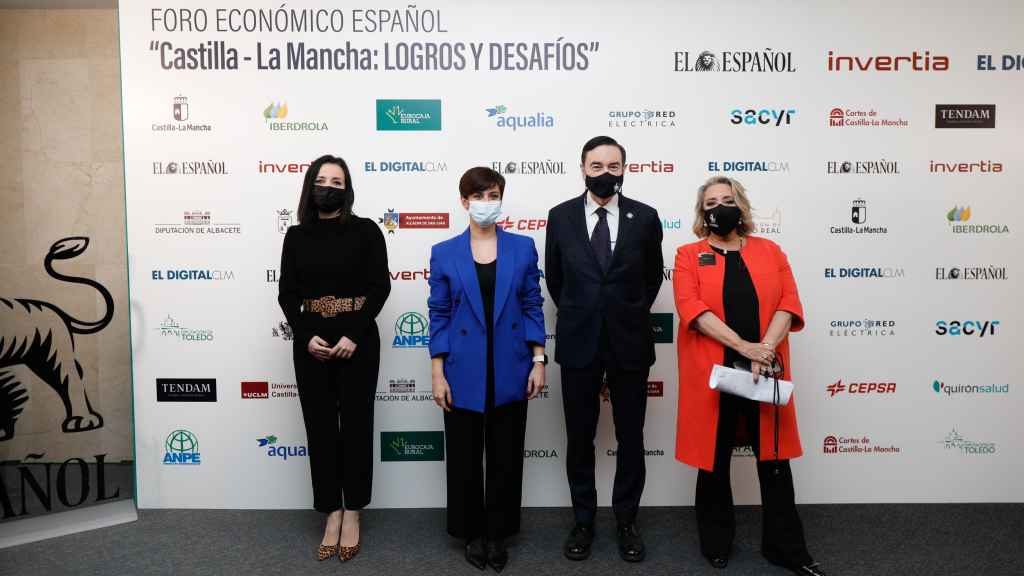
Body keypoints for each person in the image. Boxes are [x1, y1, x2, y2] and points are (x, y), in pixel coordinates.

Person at [672, 176, 826, 576]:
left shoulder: (769, 250)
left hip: (765, 369)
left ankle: (787, 549)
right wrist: (745, 348)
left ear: (741, 206)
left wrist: (766, 349)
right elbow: (692, 309)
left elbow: (788, 302)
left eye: (727, 199)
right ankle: (716, 543)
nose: (720, 206)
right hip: (715, 372)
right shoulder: (689, 254)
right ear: (701, 211)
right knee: (713, 460)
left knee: (774, 462)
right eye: (711, 201)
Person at [544, 136, 664, 563]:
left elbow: (652, 279)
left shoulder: (645, 217)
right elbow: (555, 279)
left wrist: (624, 313)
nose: (605, 173)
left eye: (613, 165)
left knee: (632, 436)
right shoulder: (559, 217)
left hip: (630, 342)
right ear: (582, 168)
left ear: (625, 169)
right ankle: (583, 520)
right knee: (580, 436)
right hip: (578, 342)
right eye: (597, 166)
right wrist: (585, 313)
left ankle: (627, 521)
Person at [427, 166, 547, 572]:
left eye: (492, 194)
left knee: (506, 455)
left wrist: (538, 359)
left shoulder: (524, 247)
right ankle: (471, 532)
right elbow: (439, 314)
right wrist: (437, 372)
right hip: (462, 369)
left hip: (512, 366)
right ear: (464, 202)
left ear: (501, 198)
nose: (485, 202)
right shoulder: (444, 253)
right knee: (463, 456)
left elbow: (533, 304)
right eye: (477, 196)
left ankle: (498, 533)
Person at [277, 154, 391, 563]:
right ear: (310, 186)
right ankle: (332, 511)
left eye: (337, 181)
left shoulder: (366, 231)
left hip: (357, 340)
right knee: (321, 427)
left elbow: (380, 288)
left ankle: (354, 511)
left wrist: (352, 333)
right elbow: (287, 294)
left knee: (357, 425)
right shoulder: (296, 236)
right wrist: (307, 336)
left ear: (348, 188)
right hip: (311, 344)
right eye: (322, 179)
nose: (329, 186)